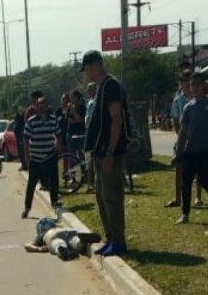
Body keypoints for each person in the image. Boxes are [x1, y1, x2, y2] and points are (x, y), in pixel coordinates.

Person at [83, 50, 130, 257]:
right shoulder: (102, 87)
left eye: (86, 69)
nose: (86, 74)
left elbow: (116, 120)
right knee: (101, 196)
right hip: (99, 152)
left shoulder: (111, 85)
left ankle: (119, 241)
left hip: (110, 152)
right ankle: (110, 237)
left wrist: (110, 153)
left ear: (95, 65)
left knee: (112, 197)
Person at [175, 72, 208, 225]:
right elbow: (183, 132)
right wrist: (179, 151)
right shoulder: (188, 107)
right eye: (192, 84)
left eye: (197, 84)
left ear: (203, 85)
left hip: (206, 149)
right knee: (186, 181)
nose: (194, 87)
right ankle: (185, 214)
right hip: (190, 150)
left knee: (204, 179)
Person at [166, 70, 204, 208]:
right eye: (185, 81)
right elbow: (176, 124)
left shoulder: (198, 98)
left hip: (197, 140)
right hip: (182, 140)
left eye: (190, 81)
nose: (188, 84)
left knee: (198, 170)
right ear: (181, 83)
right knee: (179, 169)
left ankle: (198, 197)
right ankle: (178, 198)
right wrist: (182, 139)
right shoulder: (178, 101)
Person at [22, 97, 61, 218]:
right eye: (40, 106)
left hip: (49, 156)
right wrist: (27, 156)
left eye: (44, 105)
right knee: (31, 184)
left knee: (53, 181)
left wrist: (57, 146)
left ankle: (54, 202)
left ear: (48, 106)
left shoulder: (53, 120)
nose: (42, 108)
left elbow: (59, 134)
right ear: (36, 107)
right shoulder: (31, 121)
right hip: (35, 158)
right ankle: (27, 208)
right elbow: (25, 139)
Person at [23, 217, 101, 261]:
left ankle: (64, 251)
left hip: (52, 235)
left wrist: (38, 249)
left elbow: (27, 246)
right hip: (68, 231)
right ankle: (81, 241)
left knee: (57, 243)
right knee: (74, 240)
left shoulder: (42, 235)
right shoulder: (59, 227)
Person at [85, 84, 97, 189]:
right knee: (90, 159)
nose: (89, 92)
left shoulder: (96, 102)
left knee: (94, 158)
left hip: (94, 132)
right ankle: (90, 182)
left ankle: (93, 182)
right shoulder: (89, 102)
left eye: (91, 90)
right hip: (89, 131)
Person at [12, 106, 26, 171]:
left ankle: (24, 165)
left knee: (22, 152)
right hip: (18, 137)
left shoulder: (19, 119)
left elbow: (20, 129)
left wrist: (21, 139)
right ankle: (23, 164)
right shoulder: (16, 119)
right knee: (20, 153)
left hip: (20, 138)